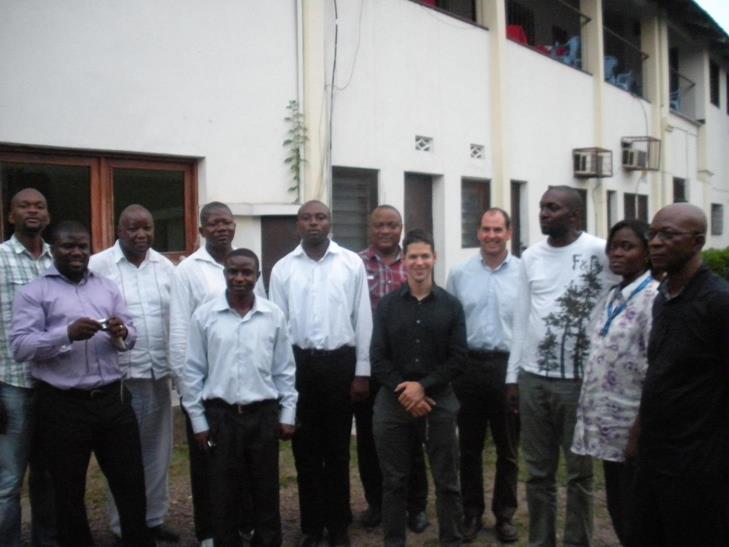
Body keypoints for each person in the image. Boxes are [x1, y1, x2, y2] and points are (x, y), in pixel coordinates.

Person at [10, 221, 152, 547]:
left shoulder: (107, 288)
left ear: (90, 249)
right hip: (63, 405)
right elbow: (20, 347)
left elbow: (132, 336)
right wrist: (66, 334)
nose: (76, 252)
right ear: (53, 249)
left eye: (82, 246)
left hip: (112, 400)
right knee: (67, 488)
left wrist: (121, 332)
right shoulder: (34, 292)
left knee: (130, 481)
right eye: (68, 246)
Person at [505, 186, 618, 547]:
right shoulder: (530, 257)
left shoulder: (600, 252)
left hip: (579, 382)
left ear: (574, 215)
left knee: (579, 474)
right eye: (542, 207)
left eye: (552, 208)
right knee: (538, 472)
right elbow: (521, 318)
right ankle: (541, 541)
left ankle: (577, 541)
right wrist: (513, 376)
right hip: (534, 379)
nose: (543, 213)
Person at [269, 200, 372, 547]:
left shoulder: (351, 263)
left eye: (320, 217)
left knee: (338, 450)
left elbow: (363, 319)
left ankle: (339, 525)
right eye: (306, 218)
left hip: (340, 365)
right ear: (297, 224)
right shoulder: (283, 269)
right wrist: (281, 381)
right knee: (306, 452)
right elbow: (277, 329)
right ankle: (312, 526)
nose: (313, 223)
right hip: (300, 366)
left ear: (330, 222)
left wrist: (362, 372)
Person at [183, 249, 298, 547]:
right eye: (233, 271)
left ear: (257, 277)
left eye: (246, 272)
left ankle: (267, 541)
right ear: (224, 274)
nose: (239, 278)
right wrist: (198, 421)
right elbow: (193, 371)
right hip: (221, 416)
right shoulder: (205, 316)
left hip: (262, 415)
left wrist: (287, 414)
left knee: (265, 488)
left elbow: (284, 369)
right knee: (222, 491)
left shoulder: (273, 316)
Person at [631, 203, 729, 546]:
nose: (656, 243)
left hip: (699, 465)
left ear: (697, 241)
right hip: (655, 455)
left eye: (669, 235)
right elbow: (659, 371)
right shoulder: (663, 297)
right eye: (653, 234)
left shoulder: (718, 302)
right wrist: (638, 431)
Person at [169, 201, 263, 547]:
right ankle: (209, 530)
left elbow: (262, 318)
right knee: (208, 463)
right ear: (201, 230)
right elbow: (179, 331)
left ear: (234, 226)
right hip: (207, 386)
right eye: (213, 223)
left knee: (244, 461)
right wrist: (187, 391)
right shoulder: (188, 271)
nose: (221, 228)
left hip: (245, 385)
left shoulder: (247, 264)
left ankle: (244, 522)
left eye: (226, 222)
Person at [89, 204, 179, 543]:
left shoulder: (165, 267)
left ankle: (153, 519)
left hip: (158, 373)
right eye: (133, 228)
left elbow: (174, 318)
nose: (141, 235)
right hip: (120, 378)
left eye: (147, 228)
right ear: (119, 230)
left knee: (158, 453)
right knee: (123, 458)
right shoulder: (99, 265)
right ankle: (124, 525)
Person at [372, 228, 466, 547]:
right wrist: (406, 390)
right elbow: (378, 358)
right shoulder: (388, 306)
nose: (419, 262)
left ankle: (451, 540)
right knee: (394, 480)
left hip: (439, 400)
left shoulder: (451, 306)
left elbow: (458, 358)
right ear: (405, 260)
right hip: (393, 401)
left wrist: (423, 387)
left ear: (434, 258)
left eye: (425, 256)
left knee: (447, 480)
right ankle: (394, 541)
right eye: (413, 256)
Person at [571, 219, 658, 546]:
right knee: (618, 508)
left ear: (646, 254)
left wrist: (639, 428)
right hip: (608, 430)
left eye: (627, 247)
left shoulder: (653, 298)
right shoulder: (613, 295)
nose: (617, 253)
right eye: (613, 246)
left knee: (637, 515)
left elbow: (654, 369)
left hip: (632, 430)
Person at [446, 208, 520, 544]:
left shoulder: (523, 273)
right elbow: (451, 324)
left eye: (498, 230)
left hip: (508, 368)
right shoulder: (460, 273)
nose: (491, 236)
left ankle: (505, 514)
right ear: (478, 233)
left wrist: (517, 375)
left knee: (508, 447)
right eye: (486, 229)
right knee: (469, 447)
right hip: (469, 368)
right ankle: (472, 512)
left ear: (509, 233)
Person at [355, 204, 429, 533]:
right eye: (379, 225)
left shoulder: (413, 262)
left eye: (392, 225)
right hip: (369, 367)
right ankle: (377, 503)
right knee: (369, 439)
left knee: (412, 439)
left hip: (407, 369)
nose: (385, 231)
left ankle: (416, 505)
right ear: (370, 228)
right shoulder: (356, 264)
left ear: (401, 228)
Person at [0, 188, 56, 547]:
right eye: (24, 206)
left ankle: (46, 541)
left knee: (48, 477)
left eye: (39, 206)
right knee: (8, 481)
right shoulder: (0, 259)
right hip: (11, 385)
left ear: (47, 216)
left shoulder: (59, 259)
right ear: (11, 216)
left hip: (53, 387)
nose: (32, 211)